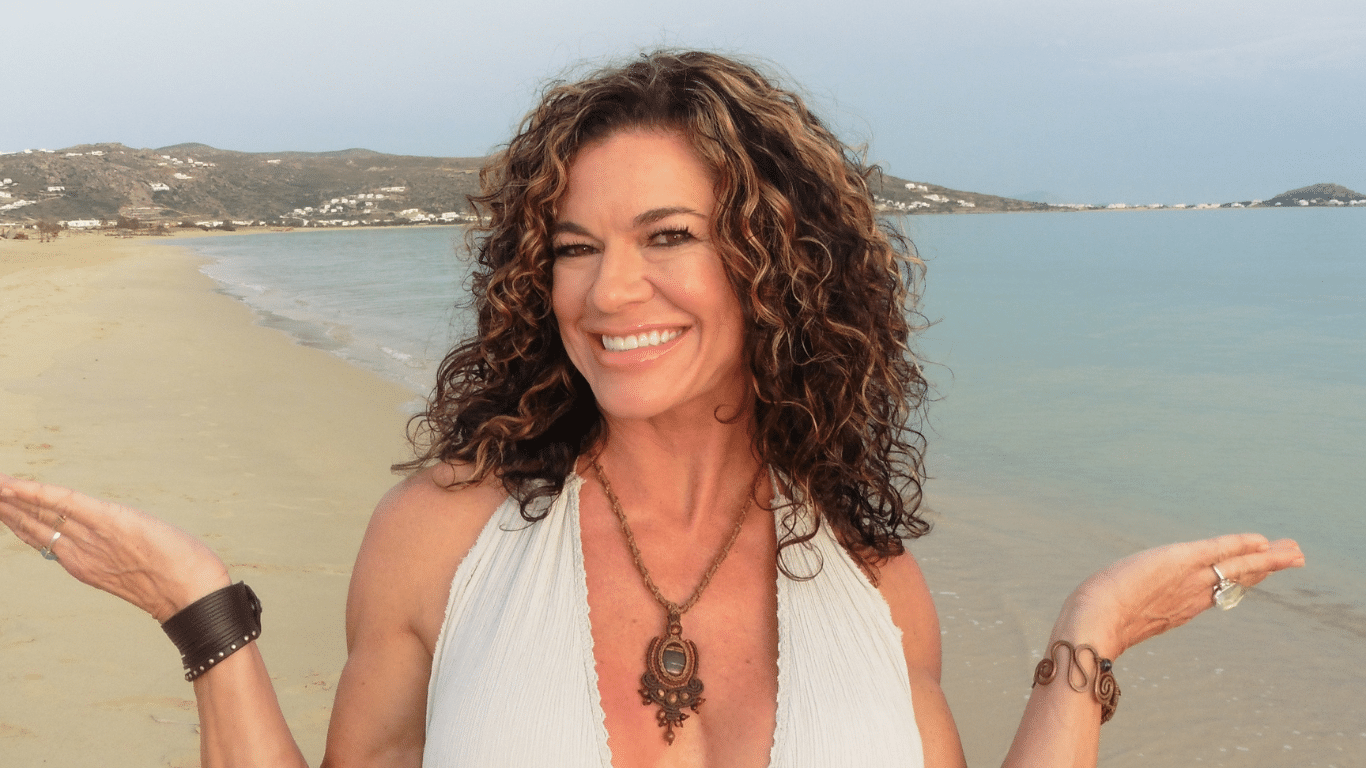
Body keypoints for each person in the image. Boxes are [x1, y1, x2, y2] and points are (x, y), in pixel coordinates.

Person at [0, 50, 1303, 768]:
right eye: (571, 245)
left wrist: (1087, 640)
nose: (608, 288)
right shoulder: (443, 535)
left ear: (777, 265)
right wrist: (206, 617)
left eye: (667, 234)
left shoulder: (868, 574)